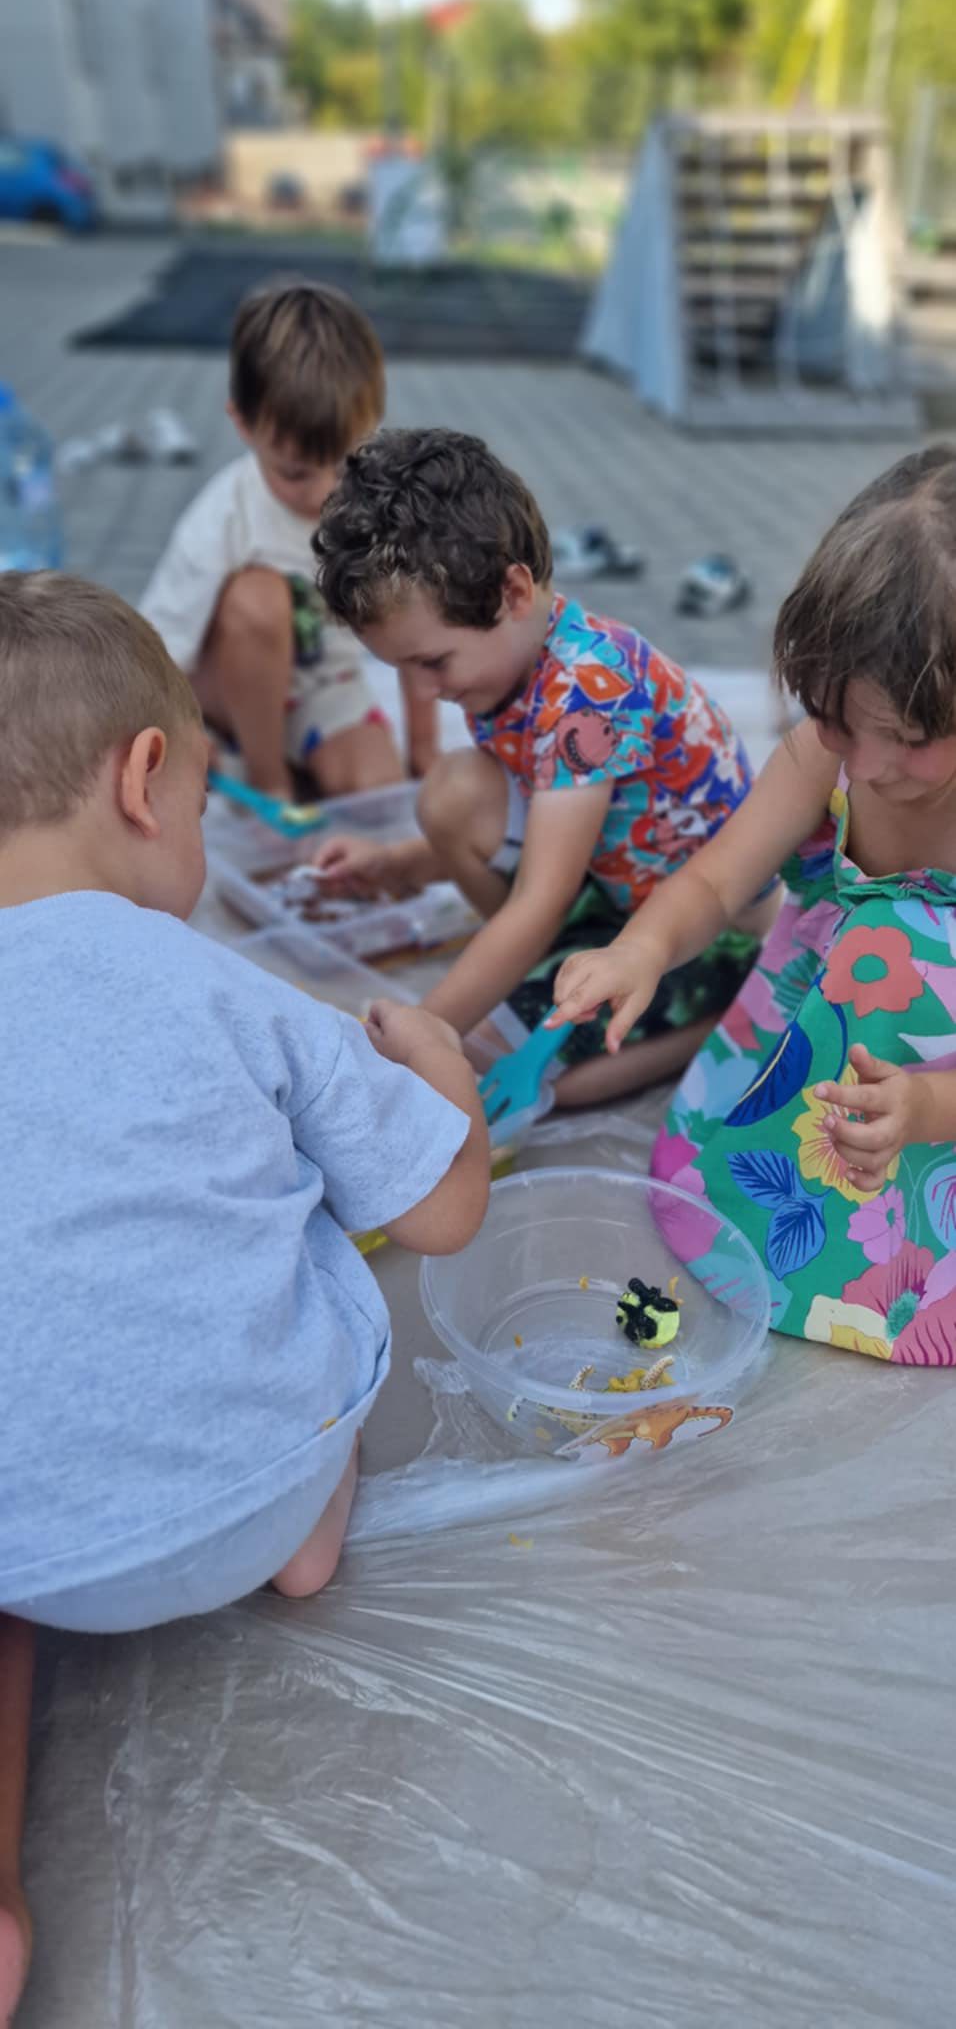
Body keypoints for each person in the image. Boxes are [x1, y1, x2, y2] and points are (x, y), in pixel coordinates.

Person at [0, 572, 488, 2023]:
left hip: (28, 1549)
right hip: (258, 1500)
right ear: (145, 778)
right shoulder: (221, 986)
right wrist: (442, 1074)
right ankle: (306, 1528)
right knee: (313, 1213)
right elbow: (443, 1212)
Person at [550, 445, 956, 1365]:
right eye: (840, 720)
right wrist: (641, 949)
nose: (868, 764)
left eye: (907, 736)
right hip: (813, 1076)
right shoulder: (829, 755)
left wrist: (926, 1107)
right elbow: (715, 880)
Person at [309, 428, 778, 1106]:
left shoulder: (587, 691)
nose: (424, 689)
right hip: (612, 896)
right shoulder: (503, 666)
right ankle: (540, 966)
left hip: (705, 932)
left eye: (433, 661)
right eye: (404, 668)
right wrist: (399, 866)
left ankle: (730, 1013)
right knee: (452, 795)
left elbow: (542, 896)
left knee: (539, 1076)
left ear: (513, 592)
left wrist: (426, 1029)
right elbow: (544, 837)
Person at [140, 280, 437, 799]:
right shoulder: (225, 514)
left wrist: (425, 750)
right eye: (296, 474)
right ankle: (268, 780)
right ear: (243, 424)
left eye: (344, 466)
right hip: (229, 700)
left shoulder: (384, 508)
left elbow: (416, 629)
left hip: (322, 690)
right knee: (258, 599)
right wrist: (175, 729)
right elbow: (156, 649)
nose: (324, 494)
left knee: (377, 791)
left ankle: (288, 774)